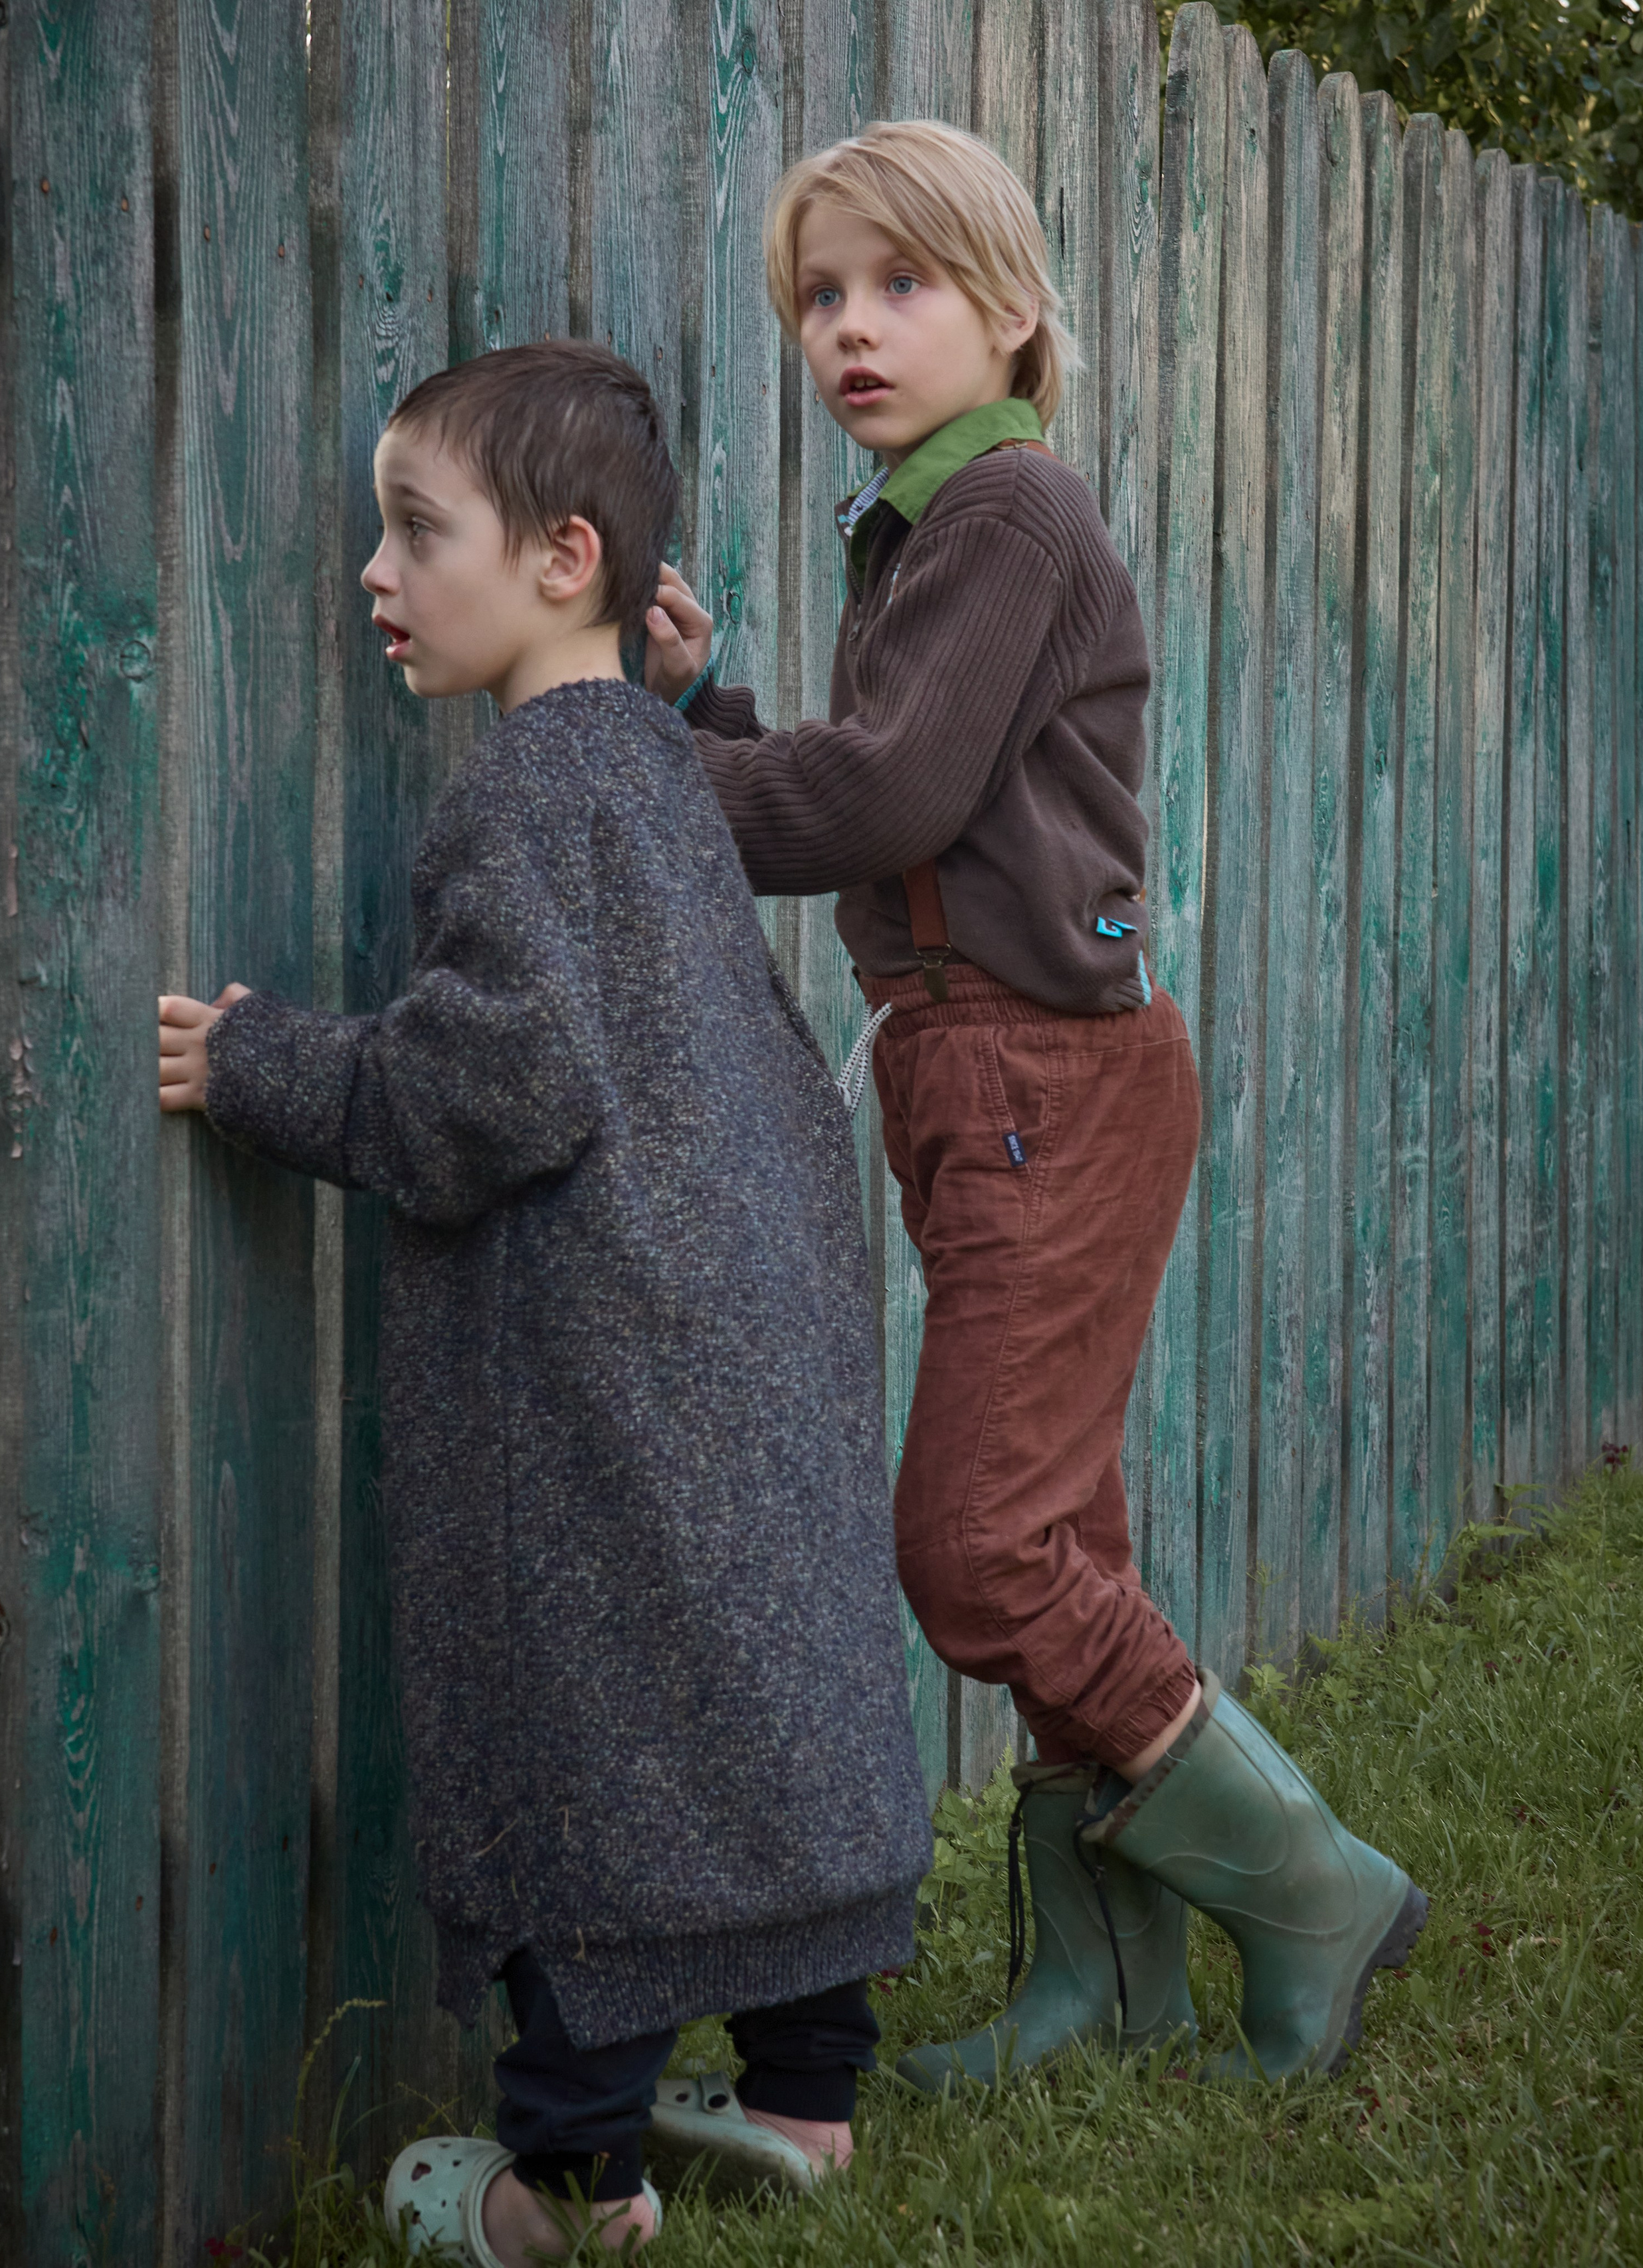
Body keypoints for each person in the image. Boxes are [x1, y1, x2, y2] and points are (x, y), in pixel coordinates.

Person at [644, 120, 1428, 2095]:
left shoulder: (1006, 511)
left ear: (1012, 314)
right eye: (820, 295)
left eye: (901, 284)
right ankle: (1108, 1986)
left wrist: (628, 766)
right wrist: (710, 715)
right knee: (1059, 1521)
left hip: (1043, 1079)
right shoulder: (930, 526)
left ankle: (1314, 1888)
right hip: (981, 1071)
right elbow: (903, 792)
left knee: (979, 1547)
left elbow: (884, 797)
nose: (851, 327)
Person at [156, 340, 931, 2263]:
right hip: (760, 1335)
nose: (376, 570)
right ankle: (806, 2110)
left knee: (596, 1757)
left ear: (565, 558)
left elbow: (492, 1088)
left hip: (608, 1375)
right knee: (772, 1715)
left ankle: (562, 2196)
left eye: (416, 530)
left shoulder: (521, 794)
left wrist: (261, 1065)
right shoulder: (665, 778)